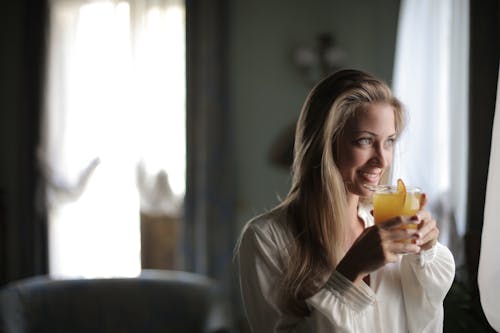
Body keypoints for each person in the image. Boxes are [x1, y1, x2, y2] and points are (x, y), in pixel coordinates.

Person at [236, 69, 455, 332]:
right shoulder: (266, 239)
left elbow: (425, 315)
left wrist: (427, 249)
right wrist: (350, 272)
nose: (383, 160)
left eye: (389, 141)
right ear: (324, 144)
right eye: (365, 141)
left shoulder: (390, 221)